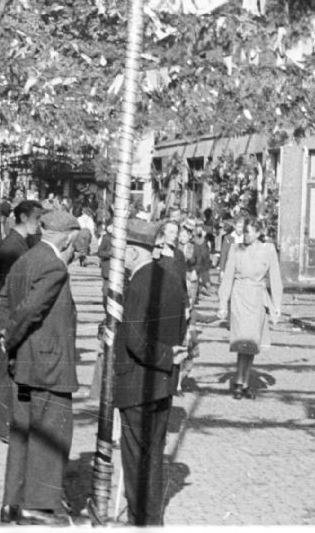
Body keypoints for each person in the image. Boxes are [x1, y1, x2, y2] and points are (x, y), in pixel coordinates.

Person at [0, 209, 83, 525]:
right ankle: (41, 506)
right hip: (48, 366)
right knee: (52, 433)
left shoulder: (25, 259)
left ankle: (13, 502)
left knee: (23, 435)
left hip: (24, 364)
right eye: (74, 243)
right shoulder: (54, 267)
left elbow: (2, 305)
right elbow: (30, 311)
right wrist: (11, 338)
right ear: (67, 237)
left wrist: (6, 339)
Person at [114, 218, 191, 525]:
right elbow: (183, 324)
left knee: (135, 459)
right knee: (154, 455)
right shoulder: (170, 277)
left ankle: (140, 520)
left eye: (123, 252)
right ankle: (152, 519)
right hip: (162, 386)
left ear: (133, 253)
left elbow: (134, 340)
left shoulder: (139, 284)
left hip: (137, 383)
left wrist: (163, 356)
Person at [0, 201, 45, 439]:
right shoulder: (14, 247)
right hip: (8, 317)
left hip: (8, 316)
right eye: (36, 218)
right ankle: (1, 425)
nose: (38, 224)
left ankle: (1, 423)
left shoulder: (19, 243)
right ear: (23, 217)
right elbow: (7, 287)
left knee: (6, 371)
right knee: (4, 373)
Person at [215, 215, 284, 399]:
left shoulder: (268, 250)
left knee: (252, 343)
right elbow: (228, 276)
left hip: (257, 298)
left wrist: (276, 303)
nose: (244, 235)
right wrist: (223, 303)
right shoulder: (235, 249)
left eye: (248, 231)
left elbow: (275, 277)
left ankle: (245, 383)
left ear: (258, 233)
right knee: (241, 340)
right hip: (239, 296)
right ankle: (238, 381)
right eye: (243, 231)